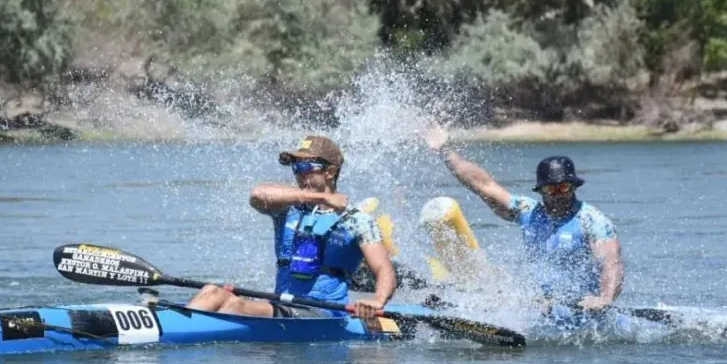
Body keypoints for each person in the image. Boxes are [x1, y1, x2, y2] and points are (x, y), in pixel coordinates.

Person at [187, 135, 397, 320]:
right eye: (296, 169)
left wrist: (377, 301)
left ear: (330, 172)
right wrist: (321, 197)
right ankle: (174, 328)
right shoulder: (288, 209)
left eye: (306, 168)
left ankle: (184, 330)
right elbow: (257, 194)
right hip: (282, 303)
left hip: (322, 312)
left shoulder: (357, 220)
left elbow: (384, 269)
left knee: (235, 306)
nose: (299, 175)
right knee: (211, 292)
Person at [424, 125, 623, 311]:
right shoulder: (528, 211)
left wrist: (604, 299)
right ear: (541, 191)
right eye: (551, 189)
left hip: (582, 307)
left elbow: (611, 262)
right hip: (541, 305)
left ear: (573, 187)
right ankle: (450, 306)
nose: (558, 194)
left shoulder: (592, 221)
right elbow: (483, 185)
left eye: (564, 187)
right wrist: (445, 149)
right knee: (499, 292)